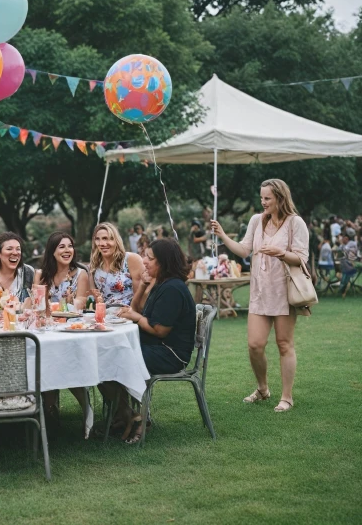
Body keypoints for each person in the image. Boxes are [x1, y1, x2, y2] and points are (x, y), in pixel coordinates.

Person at [211, 178, 309, 412]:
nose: (263, 202)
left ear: (280, 198)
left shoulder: (296, 223)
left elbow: (301, 259)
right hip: (260, 291)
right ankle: (263, 389)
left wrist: (281, 253)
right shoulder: (257, 220)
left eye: (267, 198)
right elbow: (244, 250)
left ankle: (286, 397)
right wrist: (223, 235)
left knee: (284, 344)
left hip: (284, 292)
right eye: (261, 198)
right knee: (255, 345)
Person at [117, 238, 197, 443]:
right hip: (156, 347)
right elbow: (136, 310)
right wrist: (143, 286)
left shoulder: (173, 289)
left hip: (170, 354)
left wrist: (137, 318)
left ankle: (132, 416)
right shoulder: (162, 284)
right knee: (109, 353)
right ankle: (129, 415)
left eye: (150, 258)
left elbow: (159, 330)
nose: (144, 261)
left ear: (164, 262)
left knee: (111, 358)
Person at [35, 231, 92, 437]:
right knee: (43, 362)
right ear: (52, 251)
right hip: (45, 332)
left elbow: (78, 305)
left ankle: (85, 407)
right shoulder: (41, 275)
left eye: (70, 246)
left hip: (71, 332)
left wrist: (56, 304)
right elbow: (36, 304)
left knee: (63, 364)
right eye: (62, 247)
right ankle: (50, 411)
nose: (67, 250)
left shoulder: (80, 274)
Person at [87, 222, 144, 306]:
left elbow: (140, 296)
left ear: (116, 240)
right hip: (105, 316)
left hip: (129, 314)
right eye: (97, 239)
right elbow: (93, 299)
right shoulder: (93, 266)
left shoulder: (131, 260)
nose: (101, 243)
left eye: (106, 238)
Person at [338, 232, 359, 298]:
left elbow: (347, 250)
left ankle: (342, 290)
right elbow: (339, 250)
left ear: (346, 239)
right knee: (344, 276)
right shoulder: (343, 245)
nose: (342, 240)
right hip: (345, 265)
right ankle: (342, 290)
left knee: (345, 276)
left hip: (352, 264)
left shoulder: (352, 243)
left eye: (343, 239)